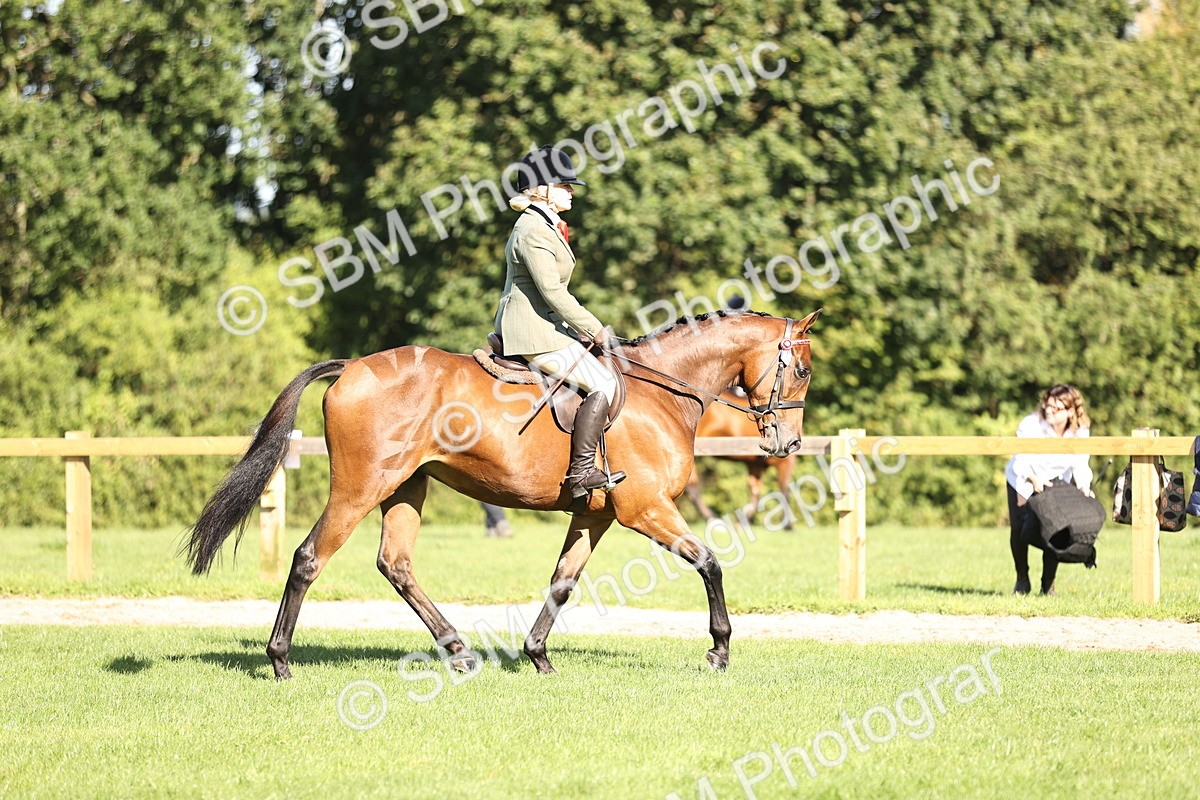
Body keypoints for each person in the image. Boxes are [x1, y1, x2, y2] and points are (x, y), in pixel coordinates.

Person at [493, 145, 626, 499]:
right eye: (564, 186)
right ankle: (580, 473)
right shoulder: (533, 230)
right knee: (604, 384)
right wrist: (594, 328)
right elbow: (552, 292)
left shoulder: (545, 225)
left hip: (547, 326)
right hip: (532, 331)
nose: (571, 191)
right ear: (543, 189)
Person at [1004, 384, 1094, 595]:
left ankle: (1048, 585)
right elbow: (1020, 459)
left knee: (1055, 529)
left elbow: (1081, 463)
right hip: (1024, 479)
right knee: (1019, 528)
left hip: (1055, 482)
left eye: (1057, 408)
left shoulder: (1080, 432)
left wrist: (1083, 487)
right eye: (1048, 406)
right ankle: (1022, 579)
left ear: (1071, 411)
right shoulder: (1031, 424)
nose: (1049, 411)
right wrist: (1033, 479)